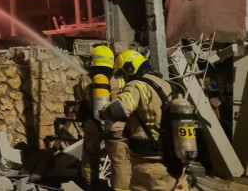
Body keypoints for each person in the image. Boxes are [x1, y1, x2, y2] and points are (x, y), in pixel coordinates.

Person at [100, 50, 188, 191]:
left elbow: (118, 109)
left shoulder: (136, 85)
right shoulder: (169, 85)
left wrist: (104, 110)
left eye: (124, 75)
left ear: (130, 68)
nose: (125, 79)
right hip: (175, 162)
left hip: (150, 165)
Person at [75, 45, 130, 191]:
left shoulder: (85, 79)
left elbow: (80, 96)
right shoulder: (119, 79)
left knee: (90, 153)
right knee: (119, 159)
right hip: (116, 125)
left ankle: (89, 184)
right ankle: (121, 188)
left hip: (92, 123)